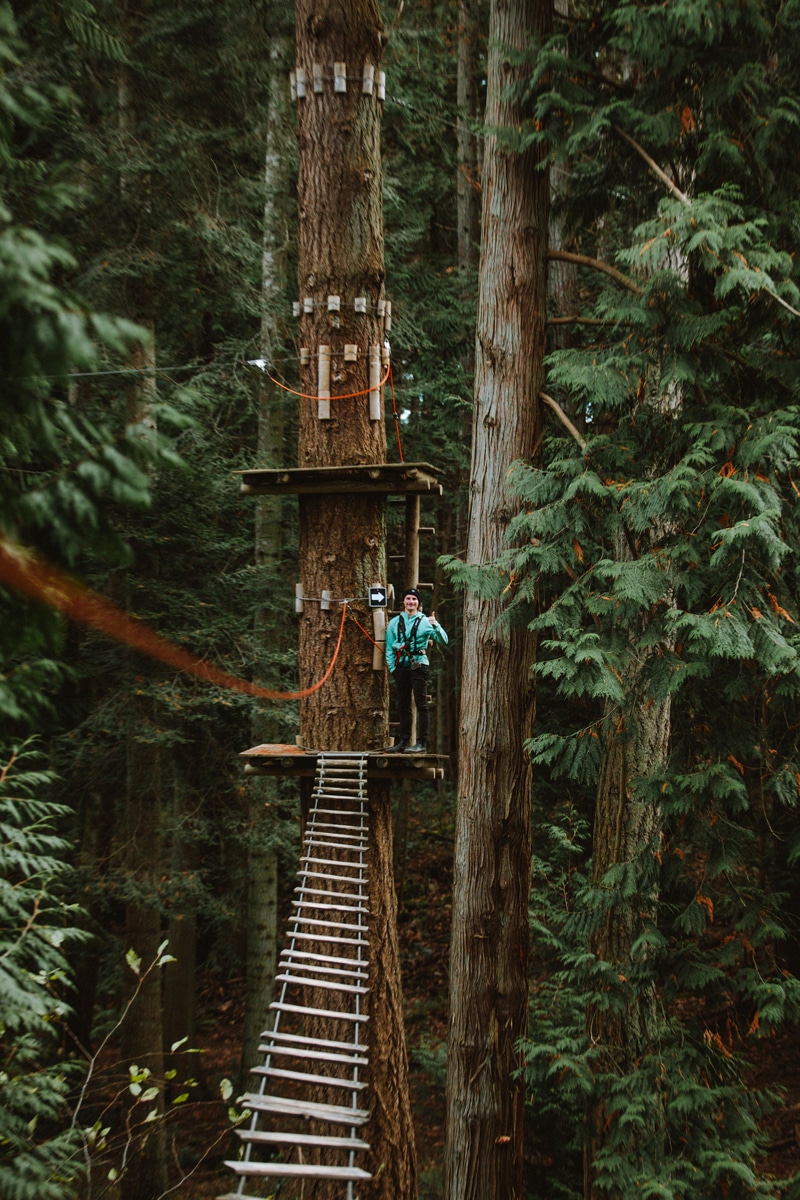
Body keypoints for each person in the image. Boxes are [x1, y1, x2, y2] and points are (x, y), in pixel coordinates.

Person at [384, 587, 448, 754]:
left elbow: (444, 640)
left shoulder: (426, 621)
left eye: (414, 599)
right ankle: (403, 741)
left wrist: (436, 625)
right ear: (403, 602)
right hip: (401, 666)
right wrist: (393, 668)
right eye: (408, 599)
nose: (411, 602)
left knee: (421, 704)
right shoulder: (394, 623)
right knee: (403, 705)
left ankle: (421, 742)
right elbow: (389, 647)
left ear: (418, 603)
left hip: (419, 665)